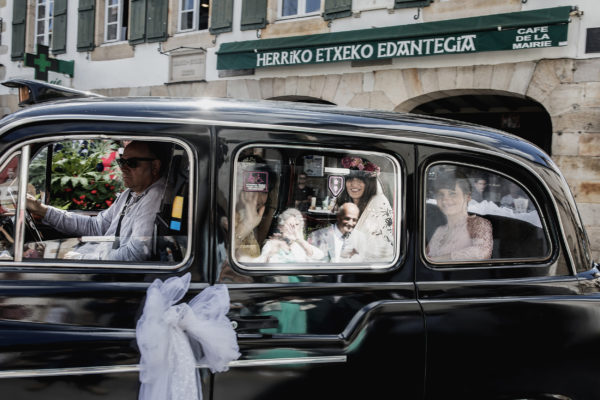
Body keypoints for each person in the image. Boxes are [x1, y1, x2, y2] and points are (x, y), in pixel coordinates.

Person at [26, 141, 167, 261]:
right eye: (121, 161)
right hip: (98, 259)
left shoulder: (154, 197)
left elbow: (135, 254)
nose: (123, 168)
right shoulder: (131, 193)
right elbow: (96, 227)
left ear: (155, 166)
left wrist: (82, 259)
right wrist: (42, 210)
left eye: (131, 163)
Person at [335, 156, 394, 260]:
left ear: (369, 182)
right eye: (350, 179)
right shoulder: (355, 204)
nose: (354, 183)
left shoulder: (377, 205)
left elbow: (378, 252)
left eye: (360, 179)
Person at [426, 170, 493, 261]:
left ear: (467, 197)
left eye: (452, 194)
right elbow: (424, 258)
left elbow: (481, 252)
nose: (445, 200)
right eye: (440, 194)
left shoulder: (477, 223)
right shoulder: (440, 230)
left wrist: (437, 260)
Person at [254, 208, 324, 263]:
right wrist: (272, 251)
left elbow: (320, 256)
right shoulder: (271, 243)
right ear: (280, 227)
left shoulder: (300, 245)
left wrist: (300, 241)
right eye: (290, 225)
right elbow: (263, 264)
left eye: (296, 225)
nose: (294, 229)